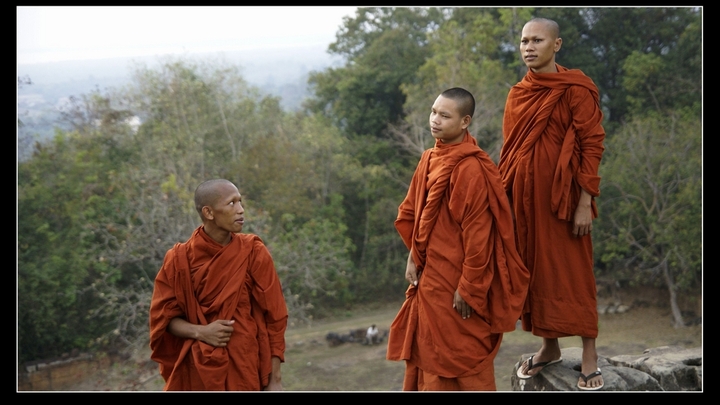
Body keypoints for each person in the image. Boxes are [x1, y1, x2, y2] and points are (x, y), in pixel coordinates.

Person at [386, 87, 530, 391]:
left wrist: (469, 288)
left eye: (444, 115)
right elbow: (414, 212)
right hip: (431, 279)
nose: (435, 120)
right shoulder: (429, 159)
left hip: (457, 283)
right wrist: (413, 254)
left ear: (465, 121)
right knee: (428, 355)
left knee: (464, 358)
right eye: (433, 112)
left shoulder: (471, 168)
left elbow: (479, 236)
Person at [498, 18, 606, 391]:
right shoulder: (518, 93)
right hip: (526, 202)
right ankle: (549, 347)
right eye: (524, 41)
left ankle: (589, 352)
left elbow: (592, 145)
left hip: (564, 201)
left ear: (556, 44)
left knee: (574, 272)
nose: (529, 47)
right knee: (535, 271)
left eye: (537, 40)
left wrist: (584, 201)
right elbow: (511, 152)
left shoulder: (576, 88)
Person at [149, 179, 288, 391]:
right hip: (197, 371)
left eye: (241, 202)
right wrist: (201, 332)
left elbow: (275, 317)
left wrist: (275, 380)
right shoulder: (179, 260)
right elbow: (164, 319)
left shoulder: (253, 252)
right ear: (209, 212)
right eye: (231, 204)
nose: (241, 210)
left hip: (245, 367)